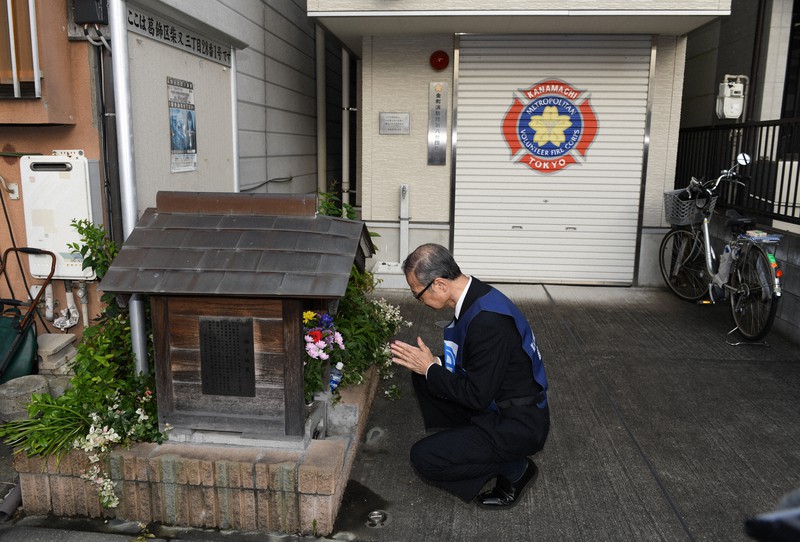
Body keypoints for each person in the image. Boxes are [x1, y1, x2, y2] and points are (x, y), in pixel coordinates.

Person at [390, 243, 549, 509]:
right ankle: (469, 442)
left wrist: (431, 368)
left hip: (517, 424)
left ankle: (516, 468)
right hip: (501, 402)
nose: (418, 301)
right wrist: (433, 364)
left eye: (418, 294)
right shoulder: (478, 296)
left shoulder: (488, 321)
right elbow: (478, 362)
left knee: (424, 458)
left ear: (439, 284)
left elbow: (477, 396)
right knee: (423, 376)